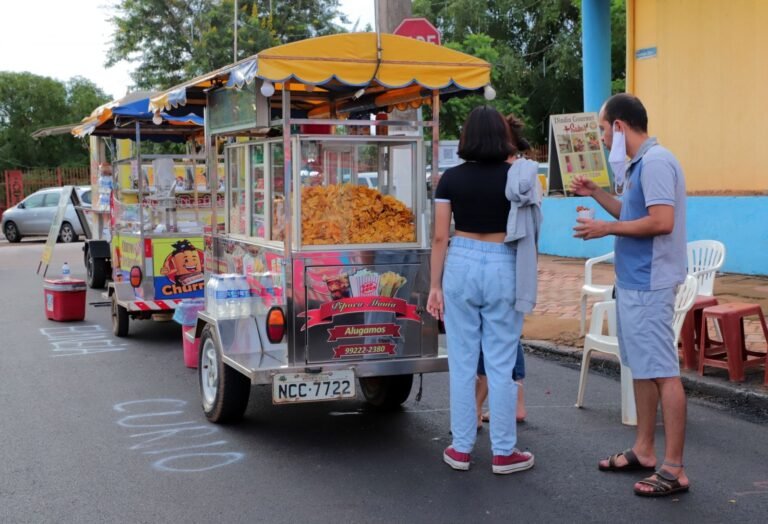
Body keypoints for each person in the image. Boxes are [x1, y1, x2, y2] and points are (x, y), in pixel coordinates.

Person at [571, 93, 689, 497]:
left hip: (652, 282)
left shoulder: (655, 162)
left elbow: (661, 221)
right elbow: (632, 213)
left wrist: (603, 229)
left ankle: (674, 468)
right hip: (636, 281)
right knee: (642, 368)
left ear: (619, 127)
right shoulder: (641, 165)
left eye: (604, 130)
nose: (602, 139)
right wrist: (597, 195)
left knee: (662, 371)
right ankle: (644, 449)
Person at [427, 105, 535, 475]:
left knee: (462, 361)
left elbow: (441, 235)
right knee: (501, 362)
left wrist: (434, 286)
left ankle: (460, 449)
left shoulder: (450, 180)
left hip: (460, 261)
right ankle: (504, 453)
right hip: (504, 261)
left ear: (467, 138)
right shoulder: (518, 177)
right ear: (503, 136)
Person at [476, 114, 537, 427]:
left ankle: (474, 407)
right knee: (508, 335)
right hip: (519, 262)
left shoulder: (506, 174)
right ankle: (516, 401)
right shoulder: (523, 173)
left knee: (492, 336)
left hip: (498, 261)